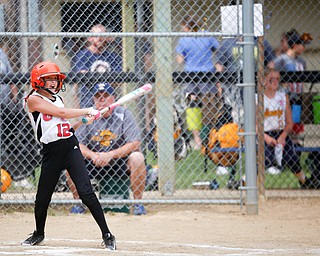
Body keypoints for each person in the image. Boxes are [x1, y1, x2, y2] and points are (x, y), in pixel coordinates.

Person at [21, 61, 116, 250]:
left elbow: (65, 128)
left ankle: (108, 234)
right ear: (38, 82)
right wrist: (87, 109)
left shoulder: (57, 98)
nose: (54, 84)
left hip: (70, 146)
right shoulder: (32, 100)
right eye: (49, 80)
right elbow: (61, 113)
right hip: (51, 151)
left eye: (56, 80)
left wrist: (83, 121)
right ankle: (39, 233)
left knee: (86, 192)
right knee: (42, 198)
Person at [73, 83, 147, 215]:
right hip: (94, 161)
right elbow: (79, 144)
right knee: (71, 159)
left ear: (113, 98)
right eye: (97, 96)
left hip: (119, 162)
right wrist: (93, 155)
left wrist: (110, 155)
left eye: (106, 96)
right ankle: (79, 203)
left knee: (137, 157)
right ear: (93, 100)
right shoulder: (89, 115)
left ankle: (137, 204)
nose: (101, 99)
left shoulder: (124, 114)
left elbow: (135, 143)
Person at [260, 68, 315, 188]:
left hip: (281, 133)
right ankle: (244, 182)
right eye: (271, 79)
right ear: (264, 81)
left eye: (277, 79)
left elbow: (290, 123)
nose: (275, 81)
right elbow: (254, 125)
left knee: (292, 158)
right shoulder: (258, 98)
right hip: (263, 134)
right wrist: (266, 137)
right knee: (265, 159)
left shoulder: (283, 97)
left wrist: (283, 137)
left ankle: (304, 182)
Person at [175, 15, 220, 150]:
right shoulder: (207, 35)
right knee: (209, 105)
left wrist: (189, 56)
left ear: (187, 27)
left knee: (192, 105)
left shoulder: (184, 39)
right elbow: (218, 50)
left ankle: (197, 139)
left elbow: (180, 59)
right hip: (207, 74)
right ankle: (210, 135)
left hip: (190, 75)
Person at [0, 46, 37, 189]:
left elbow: (10, 77)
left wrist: (14, 96)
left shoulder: (2, 54)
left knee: (9, 141)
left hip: (5, 107)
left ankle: (17, 175)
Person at [71, 24, 122, 108]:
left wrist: (95, 78)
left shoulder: (112, 56)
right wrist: (107, 79)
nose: (100, 38)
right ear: (90, 38)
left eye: (103, 35)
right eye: (96, 36)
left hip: (109, 101)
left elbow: (118, 80)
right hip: (88, 101)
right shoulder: (83, 55)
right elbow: (84, 75)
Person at [273, 30, 312, 135]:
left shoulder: (301, 61)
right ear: (295, 45)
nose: (304, 48)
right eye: (302, 45)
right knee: (285, 122)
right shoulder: (282, 60)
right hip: (285, 96)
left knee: (295, 122)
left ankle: (294, 142)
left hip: (297, 96)